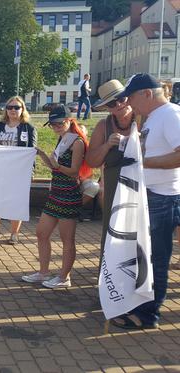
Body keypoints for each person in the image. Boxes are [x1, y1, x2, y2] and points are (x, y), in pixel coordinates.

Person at [109, 73, 180, 330]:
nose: (129, 103)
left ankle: (148, 315)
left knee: (155, 258)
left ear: (147, 94)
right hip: (152, 195)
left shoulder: (170, 115)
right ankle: (141, 308)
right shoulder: (155, 117)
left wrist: (144, 162)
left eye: (132, 97)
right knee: (145, 257)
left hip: (162, 197)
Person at [22, 105, 91, 289]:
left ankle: (64, 277)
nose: (56, 127)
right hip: (56, 193)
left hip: (69, 194)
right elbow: (54, 166)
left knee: (67, 239)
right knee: (41, 233)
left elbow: (74, 171)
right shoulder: (63, 139)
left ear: (70, 121)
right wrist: (43, 155)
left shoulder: (76, 142)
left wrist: (57, 165)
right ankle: (43, 272)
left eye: (60, 123)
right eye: (53, 124)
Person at [85, 80, 136, 265]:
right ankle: (110, 274)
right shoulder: (103, 127)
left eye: (122, 98)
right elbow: (91, 161)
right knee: (113, 232)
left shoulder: (144, 120)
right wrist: (107, 145)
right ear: (107, 107)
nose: (120, 104)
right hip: (114, 189)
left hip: (142, 189)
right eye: (113, 103)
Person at [0, 96, 37, 244]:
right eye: (9, 107)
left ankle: (14, 233)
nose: (13, 110)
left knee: (16, 202)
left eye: (16, 107)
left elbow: (32, 152)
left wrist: (31, 172)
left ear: (22, 109)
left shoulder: (28, 128)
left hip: (18, 171)